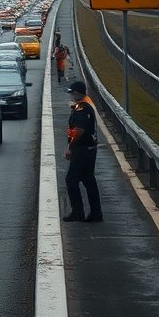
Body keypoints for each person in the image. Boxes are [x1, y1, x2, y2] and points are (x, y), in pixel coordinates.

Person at [63, 80, 103, 223]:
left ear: (77, 93)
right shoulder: (85, 106)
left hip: (82, 150)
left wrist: (70, 147)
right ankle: (96, 213)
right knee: (88, 180)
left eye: (72, 93)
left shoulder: (82, 109)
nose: (71, 95)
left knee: (71, 180)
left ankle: (78, 211)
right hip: (89, 149)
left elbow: (79, 131)